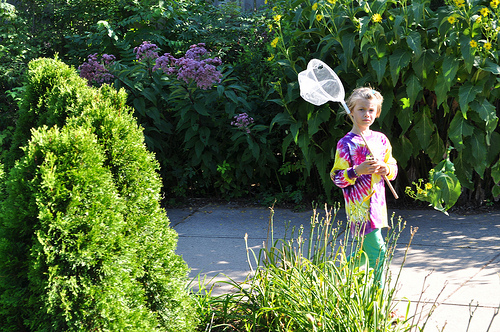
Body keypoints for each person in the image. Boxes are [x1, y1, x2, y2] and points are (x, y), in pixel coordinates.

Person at [330, 87, 397, 285]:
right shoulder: (346, 143)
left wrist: (385, 169)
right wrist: (357, 171)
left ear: (376, 113)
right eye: (361, 110)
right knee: (378, 251)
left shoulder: (380, 139)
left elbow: (392, 166)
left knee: (365, 255)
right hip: (359, 207)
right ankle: (378, 299)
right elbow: (337, 177)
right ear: (351, 111)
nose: (366, 114)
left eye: (371, 110)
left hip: (378, 205)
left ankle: (333, 277)